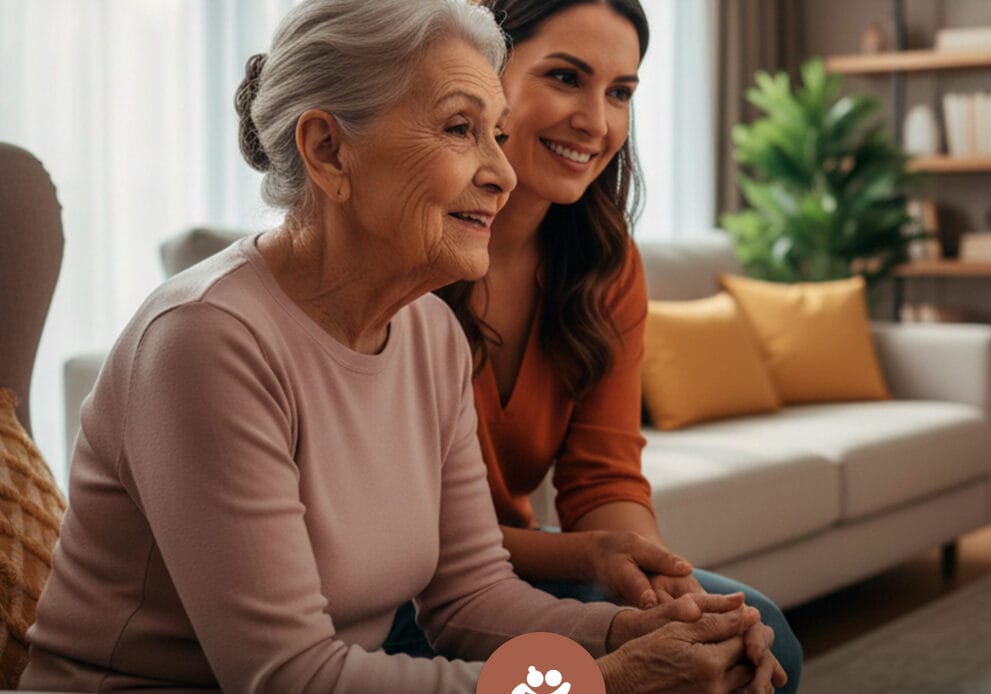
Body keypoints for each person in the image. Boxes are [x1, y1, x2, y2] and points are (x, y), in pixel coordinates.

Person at [20, 1, 777, 692]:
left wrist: (629, 631)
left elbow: (469, 594)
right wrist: (603, 682)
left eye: (495, 131)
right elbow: (290, 677)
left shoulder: (428, 334)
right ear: (327, 150)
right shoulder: (203, 341)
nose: (503, 173)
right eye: (459, 129)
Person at [435, 0, 804, 690]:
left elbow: (603, 477)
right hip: (413, 587)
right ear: (481, 75)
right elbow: (412, 538)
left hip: (521, 563)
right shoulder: (413, 252)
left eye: (621, 92)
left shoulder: (604, 265)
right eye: (566, 78)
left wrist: (668, 593)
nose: (597, 122)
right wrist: (591, 556)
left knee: (758, 635)